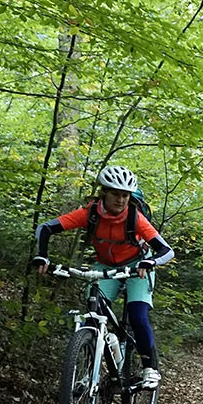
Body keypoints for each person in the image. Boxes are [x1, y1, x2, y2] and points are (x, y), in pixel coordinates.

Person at [33, 166, 174, 389]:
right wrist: (42, 256)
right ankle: (91, 372)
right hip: (106, 267)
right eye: (115, 194)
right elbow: (46, 228)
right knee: (92, 316)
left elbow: (166, 250)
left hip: (137, 266)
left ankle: (150, 368)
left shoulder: (135, 219)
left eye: (125, 195)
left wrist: (150, 261)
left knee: (137, 315)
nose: (120, 199)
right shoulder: (90, 214)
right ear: (104, 193)